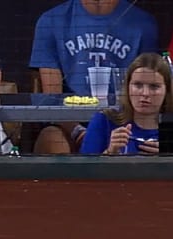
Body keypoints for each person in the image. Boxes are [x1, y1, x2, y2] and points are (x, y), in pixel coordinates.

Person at [30, 0, 159, 154]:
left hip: (124, 122)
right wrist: (79, 132)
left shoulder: (143, 23)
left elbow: (150, 93)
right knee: (51, 138)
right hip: (71, 124)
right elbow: (52, 99)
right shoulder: (51, 21)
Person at [80, 53, 173, 156]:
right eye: (138, 85)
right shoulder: (104, 121)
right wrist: (109, 153)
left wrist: (169, 157)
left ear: (167, 90)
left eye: (154, 86)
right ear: (128, 86)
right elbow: (84, 169)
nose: (145, 93)